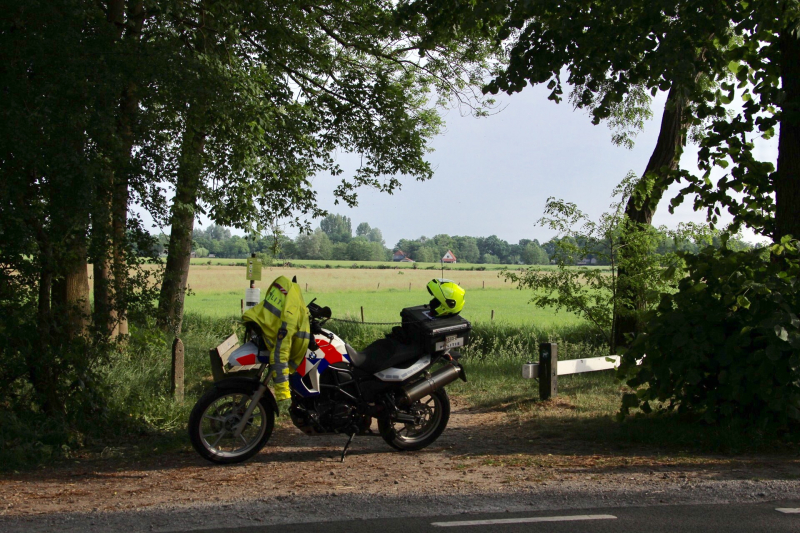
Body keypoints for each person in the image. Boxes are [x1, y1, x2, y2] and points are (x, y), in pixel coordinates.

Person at [242, 275, 311, 412]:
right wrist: (283, 392)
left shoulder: (289, 313)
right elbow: (281, 351)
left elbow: (281, 352)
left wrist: (283, 392)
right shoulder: (291, 312)